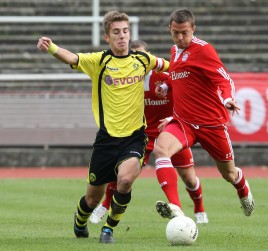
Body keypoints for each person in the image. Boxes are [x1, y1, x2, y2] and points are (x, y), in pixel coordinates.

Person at [36, 10, 169, 244]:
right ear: (107, 37)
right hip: (106, 140)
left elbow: (171, 67)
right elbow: (72, 58)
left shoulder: (142, 59)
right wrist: (52, 47)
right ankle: (80, 221)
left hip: (135, 137)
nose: (122, 36)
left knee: (125, 181)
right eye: (116, 32)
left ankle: (108, 229)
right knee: (92, 198)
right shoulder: (100, 61)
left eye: (125, 31)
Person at [89, 40, 208, 225]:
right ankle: (104, 206)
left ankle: (199, 209)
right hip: (141, 135)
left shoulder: (165, 77)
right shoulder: (125, 80)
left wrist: (174, 118)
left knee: (190, 179)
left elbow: (187, 96)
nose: (136, 59)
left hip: (169, 133)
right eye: (133, 54)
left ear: (148, 57)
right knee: (123, 173)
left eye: (141, 55)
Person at [153, 9, 255, 219]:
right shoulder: (174, 51)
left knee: (229, 174)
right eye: (176, 33)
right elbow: (179, 78)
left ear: (194, 30)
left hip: (211, 124)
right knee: (161, 149)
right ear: (170, 30)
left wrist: (227, 99)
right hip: (184, 122)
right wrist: (166, 86)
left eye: (185, 33)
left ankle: (243, 190)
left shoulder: (204, 50)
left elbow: (224, 79)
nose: (180, 38)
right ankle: (175, 207)